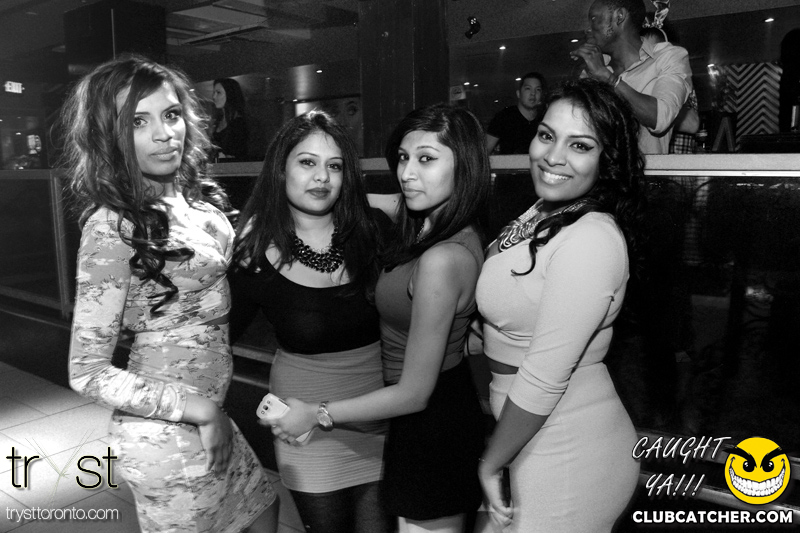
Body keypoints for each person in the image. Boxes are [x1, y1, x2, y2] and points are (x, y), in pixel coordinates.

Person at [63, 56, 278, 533]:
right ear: (108, 135)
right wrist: (202, 411)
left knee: (265, 509)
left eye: (172, 114)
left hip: (209, 412)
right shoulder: (111, 226)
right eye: (138, 121)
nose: (164, 134)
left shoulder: (191, 203)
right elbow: (87, 372)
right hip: (166, 432)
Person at [272, 103, 492, 533]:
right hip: (427, 417)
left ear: (464, 166)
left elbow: (414, 393)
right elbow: (376, 200)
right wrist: (318, 192)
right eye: (404, 158)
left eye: (426, 159)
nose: (408, 174)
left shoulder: (442, 257)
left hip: (432, 422)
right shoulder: (431, 225)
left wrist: (316, 413)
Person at [476, 78, 643, 532]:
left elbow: (544, 376)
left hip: (568, 444)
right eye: (547, 135)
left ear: (607, 159)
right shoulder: (544, 209)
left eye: (580, 145)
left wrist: (490, 462)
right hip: (528, 433)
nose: (553, 157)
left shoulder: (591, 239)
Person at [229, 110, 393, 533]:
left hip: (380, 416)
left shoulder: (372, 230)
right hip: (303, 425)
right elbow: (218, 336)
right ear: (281, 169)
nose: (322, 177)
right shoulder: (254, 252)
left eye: (334, 166)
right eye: (307, 162)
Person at [570, 0, 692, 154]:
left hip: (647, 170)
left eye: (594, 19)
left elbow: (661, 118)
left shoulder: (667, 58)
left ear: (619, 16)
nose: (588, 28)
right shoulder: (593, 68)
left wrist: (607, 78)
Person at [486, 72, 547, 154]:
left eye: (538, 89)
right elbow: (485, 151)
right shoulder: (504, 118)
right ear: (518, 94)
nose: (533, 93)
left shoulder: (545, 119)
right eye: (528, 88)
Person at [212, 77, 249, 160]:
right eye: (214, 92)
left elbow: (242, 154)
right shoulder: (218, 121)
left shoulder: (240, 124)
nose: (214, 96)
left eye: (218, 93)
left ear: (230, 94)